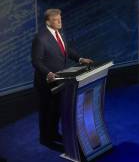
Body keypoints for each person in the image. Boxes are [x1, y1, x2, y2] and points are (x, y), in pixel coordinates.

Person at [31, 8, 93, 150]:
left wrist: (80, 58)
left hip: (61, 80)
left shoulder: (60, 33)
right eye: (56, 20)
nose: (60, 22)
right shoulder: (40, 38)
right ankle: (45, 139)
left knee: (56, 110)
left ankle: (53, 133)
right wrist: (48, 73)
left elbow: (66, 49)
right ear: (48, 22)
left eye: (60, 19)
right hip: (46, 82)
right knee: (46, 110)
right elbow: (36, 61)